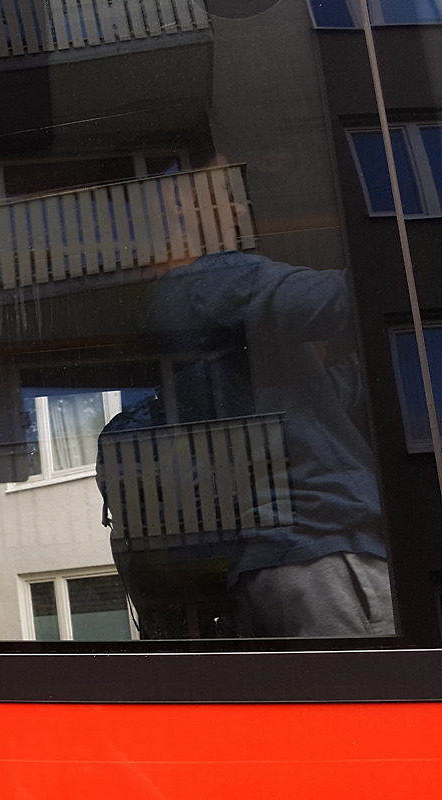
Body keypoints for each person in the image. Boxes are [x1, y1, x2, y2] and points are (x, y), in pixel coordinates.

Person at [143, 249, 392, 637]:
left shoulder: (236, 378)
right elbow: (343, 297)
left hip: (284, 563)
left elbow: (339, 389)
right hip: (326, 556)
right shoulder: (201, 284)